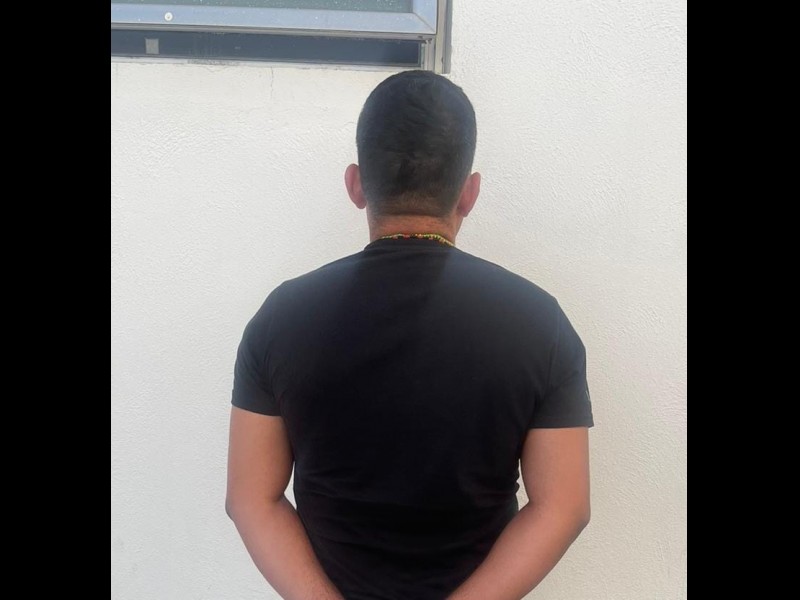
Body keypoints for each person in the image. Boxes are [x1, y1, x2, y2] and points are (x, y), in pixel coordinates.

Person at [226, 70, 594, 600]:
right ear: (469, 193)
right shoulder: (540, 321)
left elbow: (250, 499)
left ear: (356, 185)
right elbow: (563, 506)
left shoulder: (281, 317)